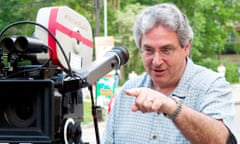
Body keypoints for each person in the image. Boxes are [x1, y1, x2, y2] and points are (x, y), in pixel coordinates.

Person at [101, 3, 237, 144]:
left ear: (186, 47)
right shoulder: (127, 92)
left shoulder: (212, 86)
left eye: (166, 50)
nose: (156, 61)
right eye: (148, 50)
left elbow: (221, 140)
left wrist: (172, 107)